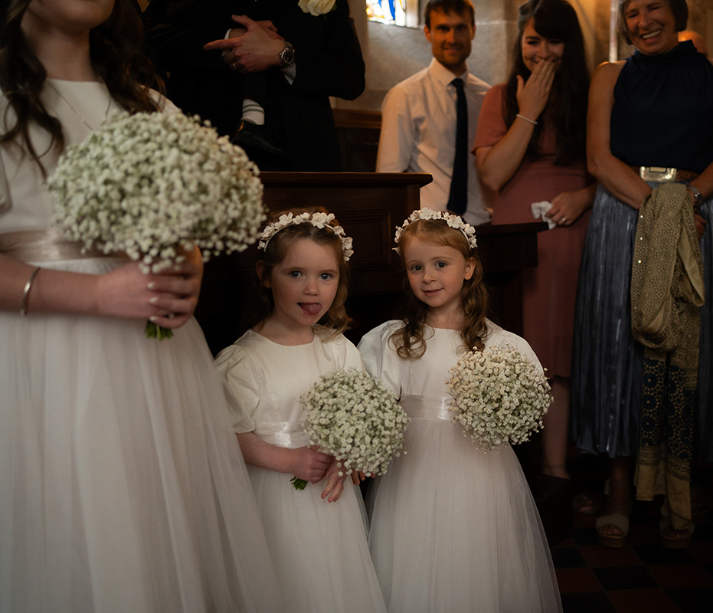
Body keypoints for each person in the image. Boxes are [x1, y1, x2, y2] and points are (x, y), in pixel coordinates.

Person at [0, 0, 284, 610]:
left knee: (149, 534)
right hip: (31, 358)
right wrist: (95, 292)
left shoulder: (149, 105)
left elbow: (183, 227)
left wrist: (188, 262)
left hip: (150, 370)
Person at [570, 0, 713, 547]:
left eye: (654, 8)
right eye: (631, 12)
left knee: (691, 345)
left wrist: (687, 202)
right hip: (625, 211)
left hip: (701, 208)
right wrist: (662, 208)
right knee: (623, 345)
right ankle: (619, 486)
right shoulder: (609, 75)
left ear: (678, 10)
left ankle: (679, 487)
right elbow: (598, 158)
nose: (642, 21)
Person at [358, 209, 562, 612]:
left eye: (440, 264)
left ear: (468, 268)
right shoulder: (394, 340)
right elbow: (374, 406)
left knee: (474, 553)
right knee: (413, 549)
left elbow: (523, 410)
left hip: (478, 472)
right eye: (416, 267)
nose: (428, 276)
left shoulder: (503, 345)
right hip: (412, 470)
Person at [214, 209, 386, 613]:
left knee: (334, 586)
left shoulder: (339, 349)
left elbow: (360, 414)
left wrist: (355, 454)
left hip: (332, 496)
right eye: (295, 274)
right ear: (264, 273)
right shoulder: (241, 361)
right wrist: (287, 458)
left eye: (326, 276)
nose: (312, 290)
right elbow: (225, 434)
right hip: (274, 497)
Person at [472, 0, 593, 495]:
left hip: (574, 228)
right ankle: (508, 465)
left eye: (554, 40)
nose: (542, 52)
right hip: (514, 233)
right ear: (519, 43)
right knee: (511, 350)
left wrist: (585, 195)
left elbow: (610, 164)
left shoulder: (591, 94)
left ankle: (557, 465)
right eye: (532, 41)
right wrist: (529, 111)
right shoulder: (500, 96)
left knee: (562, 348)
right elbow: (494, 173)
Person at [143, 0, 365, 171]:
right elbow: (146, 36)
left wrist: (284, 55)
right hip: (201, 149)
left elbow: (351, 76)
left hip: (302, 151)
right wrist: (229, 40)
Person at [375, 0, 491, 226]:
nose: (452, 38)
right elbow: (390, 179)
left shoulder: (488, 97)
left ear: (473, 31)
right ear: (428, 32)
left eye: (460, 28)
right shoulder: (405, 95)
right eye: (442, 29)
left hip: (483, 222)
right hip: (429, 225)